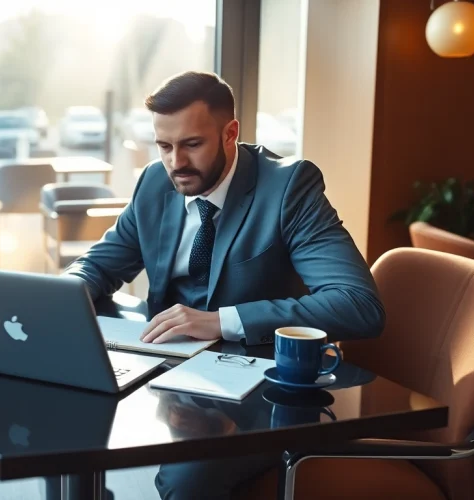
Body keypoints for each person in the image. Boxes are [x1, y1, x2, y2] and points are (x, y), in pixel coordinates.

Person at [63, 71, 385, 498]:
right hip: (168, 370)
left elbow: (358, 305)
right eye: (164, 146)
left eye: (192, 144)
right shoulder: (154, 183)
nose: (176, 162)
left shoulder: (289, 187)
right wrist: (62, 296)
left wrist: (221, 321)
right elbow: (99, 265)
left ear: (230, 132)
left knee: (186, 479)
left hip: (260, 392)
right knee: (61, 426)